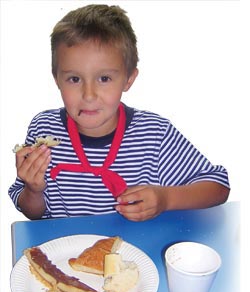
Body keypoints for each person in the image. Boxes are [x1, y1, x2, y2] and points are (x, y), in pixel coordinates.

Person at [8, 4, 230, 222]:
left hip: (137, 253)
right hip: (66, 253)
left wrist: (165, 198)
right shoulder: (43, 130)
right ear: (57, 79)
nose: (89, 95)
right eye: (74, 79)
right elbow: (32, 212)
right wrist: (33, 190)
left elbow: (219, 187)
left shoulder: (154, 134)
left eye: (104, 78)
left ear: (128, 79)